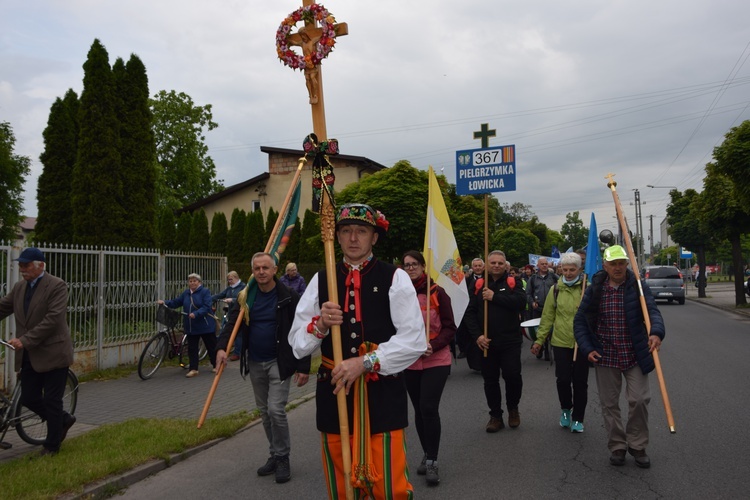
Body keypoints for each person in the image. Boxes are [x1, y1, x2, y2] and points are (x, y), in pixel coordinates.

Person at [289, 203, 425, 499]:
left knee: (390, 488)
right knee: (342, 490)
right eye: (346, 231)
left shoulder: (395, 277)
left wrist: (365, 362)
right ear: (336, 237)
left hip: (382, 396)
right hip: (334, 393)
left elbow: (414, 339)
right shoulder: (321, 279)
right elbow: (297, 342)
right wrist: (321, 325)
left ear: (374, 237)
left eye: (361, 231)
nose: (353, 238)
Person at [215, 252, 310, 484]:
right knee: (264, 412)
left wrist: (303, 366)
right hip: (256, 362)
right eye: (257, 268)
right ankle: (275, 454)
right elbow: (231, 325)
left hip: (280, 361)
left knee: (275, 409)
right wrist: (221, 348)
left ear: (275, 270)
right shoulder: (246, 296)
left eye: (265, 268)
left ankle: (283, 457)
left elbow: (303, 330)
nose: (261, 272)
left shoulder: (289, 296)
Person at [574, 245, 665, 468]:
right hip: (605, 354)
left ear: (627, 263)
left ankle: (637, 444)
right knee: (609, 404)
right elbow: (580, 321)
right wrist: (587, 347)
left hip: (634, 353)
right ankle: (617, 445)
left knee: (640, 399)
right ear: (605, 265)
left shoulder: (638, 286)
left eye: (621, 263)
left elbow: (653, 312)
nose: (617, 267)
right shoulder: (595, 288)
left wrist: (656, 332)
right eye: (613, 263)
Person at [0, 248, 75, 456]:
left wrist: (25, 340)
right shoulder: (19, 287)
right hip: (30, 355)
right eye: (20, 265)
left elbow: (53, 320)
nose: (22, 269)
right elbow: (3, 307)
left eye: (26, 265)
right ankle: (63, 419)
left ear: (40, 265)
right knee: (30, 398)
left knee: (52, 400)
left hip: (54, 353)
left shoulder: (57, 286)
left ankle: (51, 446)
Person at [401, 250, 457, 487]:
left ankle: (433, 460)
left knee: (428, 407)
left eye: (414, 264)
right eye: (406, 265)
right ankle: (426, 452)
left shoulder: (438, 293)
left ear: (423, 266)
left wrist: (433, 345)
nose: (410, 268)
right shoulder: (400, 295)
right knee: (418, 409)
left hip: (436, 359)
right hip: (410, 361)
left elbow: (450, 327)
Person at [464, 250, 527, 432]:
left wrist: (495, 297)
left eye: (500, 263)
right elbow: (470, 313)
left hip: (510, 341)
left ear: (505, 264)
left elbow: (521, 302)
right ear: (487, 264)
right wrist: (477, 336)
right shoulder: (478, 284)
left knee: (513, 377)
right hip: (486, 342)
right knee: (490, 380)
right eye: (493, 263)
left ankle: (513, 409)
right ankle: (495, 416)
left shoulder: (512, 282)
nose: (497, 266)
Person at [531, 252, 589, 433]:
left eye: (573, 269)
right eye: (565, 269)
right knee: (563, 380)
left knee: (580, 382)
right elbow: (547, 316)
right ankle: (566, 410)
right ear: (560, 269)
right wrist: (539, 340)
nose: (569, 273)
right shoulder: (555, 290)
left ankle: (578, 418)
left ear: (579, 269)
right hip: (561, 342)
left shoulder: (587, 290)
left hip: (582, 343)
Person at [158, 274, 217, 378]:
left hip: (204, 325)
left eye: (195, 281)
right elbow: (177, 302)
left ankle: (216, 365)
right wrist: (165, 302)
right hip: (191, 325)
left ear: (199, 282)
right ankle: (194, 369)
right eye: (190, 281)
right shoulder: (186, 293)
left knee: (211, 346)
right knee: (192, 348)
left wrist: (196, 314)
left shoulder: (205, 292)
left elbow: (207, 306)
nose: (192, 283)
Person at [527, 257, 559, 360]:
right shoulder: (533, 278)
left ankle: (548, 351)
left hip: (552, 309)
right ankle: (540, 348)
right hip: (538, 309)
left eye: (546, 263)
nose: (545, 265)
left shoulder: (554, 277)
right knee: (539, 330)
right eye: (542, 264)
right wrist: (532, 302)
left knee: (550, 330)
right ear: (538, 265)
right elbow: (528, 293)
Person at [211, 271, 246, 361]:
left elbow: (244, 299)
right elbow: (220, 295)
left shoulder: (243, 287)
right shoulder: (229, 289)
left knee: (238, 334)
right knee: (225, 330)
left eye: (231, 279)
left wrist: (233, 300)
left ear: (236, 278)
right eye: (228, 280)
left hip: (241, 313)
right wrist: (209, 298)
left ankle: (237, 353)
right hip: (231, 313)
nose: (229, 281)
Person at [455, 257, 484, 359]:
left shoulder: (488, 279)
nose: (478, 268)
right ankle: (465, 351)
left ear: (483, 266)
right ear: (472, 267)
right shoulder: (466, 281)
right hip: (469, 309)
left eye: (480, 265)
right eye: (475, 266)